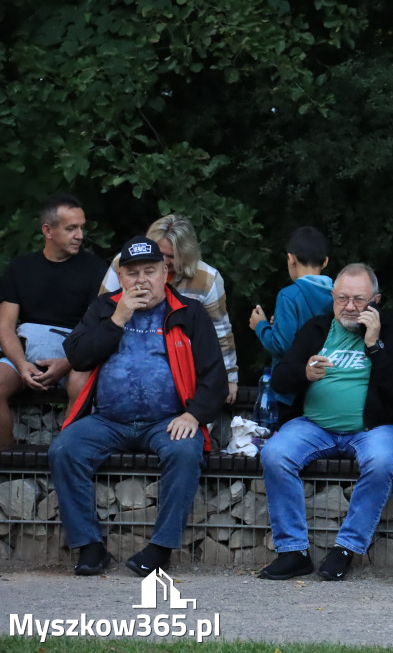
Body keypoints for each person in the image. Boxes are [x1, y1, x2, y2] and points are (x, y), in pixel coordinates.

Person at [48, 236, 227, 576]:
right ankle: (89, 547)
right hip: (107, 420)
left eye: (149, 271)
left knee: (186, 452)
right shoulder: (105, 308)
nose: (141, 280)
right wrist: (117, 318)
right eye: (132, 273)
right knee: (64, 450)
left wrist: (193, 414)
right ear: (121, 276)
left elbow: (214, 375)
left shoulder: (189, 313)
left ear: (165, 274)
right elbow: (77, 355)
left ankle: (160, 548)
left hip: (167, 420)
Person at [258, 263, 393, 581]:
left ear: (377, 300)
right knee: (274, 453)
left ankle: (345, 549)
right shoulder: (316, 329)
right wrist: (304, 372)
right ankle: (293, 551)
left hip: (374, 428)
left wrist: (374, 345)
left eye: (359, 299)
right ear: (333, 297)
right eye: (342, 298)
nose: (351, 307)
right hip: (314, 425)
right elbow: (281, 379)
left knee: (382, 461)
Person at [0, 194, 107, 450]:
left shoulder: (96, 269)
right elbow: (5, 326)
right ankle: (5, 468)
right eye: (71, 228)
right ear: (48, 230)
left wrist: (66, 363)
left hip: (75, 353)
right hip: (25, 352)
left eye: (81, 227)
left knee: (82, 388)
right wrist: (22, 365)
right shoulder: (20, 268)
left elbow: (97, 328)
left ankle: (67, 460)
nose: (80, 235)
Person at [101, 215, 238, 404]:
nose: (163, 262)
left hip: (184, 367)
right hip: (123, 355)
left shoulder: (207, 279)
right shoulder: (124, 264)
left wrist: (229, 377)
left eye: (171, 257)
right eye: (159, 253)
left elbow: (220, 332)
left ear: (186, 254)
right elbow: (100, 312)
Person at [249, 226, 334, 419]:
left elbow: (281, 345)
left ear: (291, 258)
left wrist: (261, 325)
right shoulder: (338, 295)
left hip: (290, 393)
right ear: (326, 261)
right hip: (326, 383)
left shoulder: (289, 296)